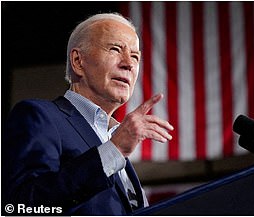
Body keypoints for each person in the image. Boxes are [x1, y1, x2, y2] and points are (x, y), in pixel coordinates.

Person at [2, 13, 174, 215]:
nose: (129, 63)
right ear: (78, 61)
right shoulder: (40, 116)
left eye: (135, 56)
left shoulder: (112, 137)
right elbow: (25, 205)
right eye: (115, 49)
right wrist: (115, 149)